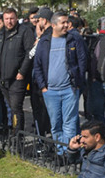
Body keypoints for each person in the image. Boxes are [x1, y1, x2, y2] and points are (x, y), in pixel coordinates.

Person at [33, 10, 87, 152]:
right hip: (51, 92)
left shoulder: (74, 39)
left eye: (67, 22)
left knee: (69, 123)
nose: (67, 25)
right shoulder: (44, 42)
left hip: (70, 90)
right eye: (63, 22)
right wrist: (43, 87)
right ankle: (60, 149)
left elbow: (82, 61)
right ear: (53, 25)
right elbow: (37, 65)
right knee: (56, 124)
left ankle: (69, 152)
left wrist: (77, 84)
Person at [0, 7, 35, 134]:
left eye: (12, 18)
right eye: (6, 19)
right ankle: (12, 132)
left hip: (17, 78)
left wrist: (22, 72)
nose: (9, 21)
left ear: (16, 18)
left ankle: (18, 136)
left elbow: (30, 53)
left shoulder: (24, 31)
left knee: (16, 108)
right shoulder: (1, 33)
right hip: (2, 79)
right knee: (11, 108)